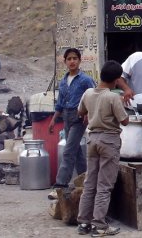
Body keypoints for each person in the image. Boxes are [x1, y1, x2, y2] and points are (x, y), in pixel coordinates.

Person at [76, 60, 129, 236]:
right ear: (116, 80)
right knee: (104, 185)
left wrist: (92, 115)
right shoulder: (113, 97)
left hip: (92, 140)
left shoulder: (88, 93)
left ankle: (83, 223)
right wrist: (123, 104)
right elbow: (125, 120)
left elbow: (80, 112)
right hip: (109, 141)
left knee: (90, 183)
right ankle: (99, 225)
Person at [49, 48, 95, 193]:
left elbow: (93, 96)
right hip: (66, 118)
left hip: (79, 118)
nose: (72, 61)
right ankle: (85, 179)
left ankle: (60, 184)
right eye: (69, 59)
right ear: (65, 62)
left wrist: (88, 112)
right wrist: (53, 120)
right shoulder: (63, 81)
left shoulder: (85, 80)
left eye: (75, 58)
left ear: (79, 60)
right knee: (76, 151)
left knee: (68, 151)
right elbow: (60, 103)